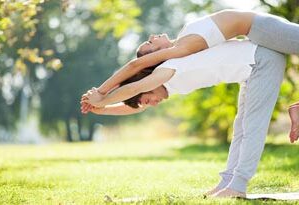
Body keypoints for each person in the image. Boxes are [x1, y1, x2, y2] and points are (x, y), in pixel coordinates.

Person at [82, 40, 286, 198]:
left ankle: (238, 185)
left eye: (148, 98)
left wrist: (101, 98)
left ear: (147, 84)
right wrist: (101, 110)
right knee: (240, 129)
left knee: (252, 127)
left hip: (261, 61)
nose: (152, 104)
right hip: (250, 71)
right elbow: (136, 107)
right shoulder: (167, 84)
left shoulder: (167, 69)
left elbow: (134, 88)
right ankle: (227, 183)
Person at [81, 9, 299, 140]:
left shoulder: (183, 47)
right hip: (258, 30)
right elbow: (136, 94)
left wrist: (101, 95)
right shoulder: (179, 55)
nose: (152, 36)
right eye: (149, 43)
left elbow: (135, 74)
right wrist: (101, 106)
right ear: (157, 55)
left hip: (259, 27)